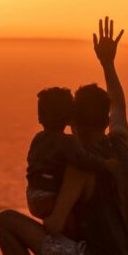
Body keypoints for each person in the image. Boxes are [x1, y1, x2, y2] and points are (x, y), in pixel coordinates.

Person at [0, 17, 128, 255]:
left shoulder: (80, 166)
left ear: (73, 120)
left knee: (5, 222)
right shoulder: (121, 148)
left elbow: (55, 226)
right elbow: (120, 106)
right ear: (104, 118)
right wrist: (108, 64)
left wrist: (48, 205)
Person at [25, 87, 76, 219]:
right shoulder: (67, 142)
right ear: (69, 118)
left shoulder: (38, 138)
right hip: (49, 200)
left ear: (40, 118)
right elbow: (85, 159)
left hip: (32, 198)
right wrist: (105, 164)